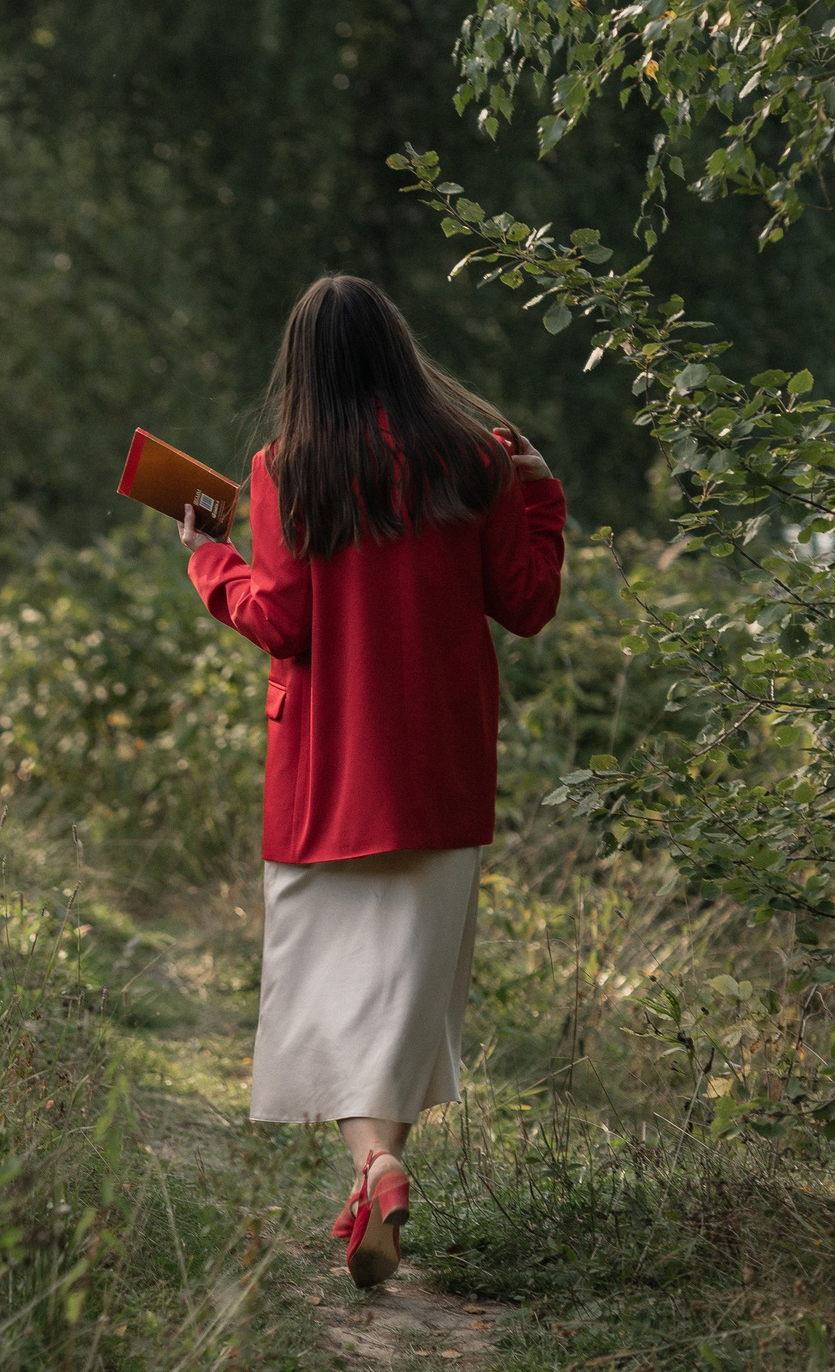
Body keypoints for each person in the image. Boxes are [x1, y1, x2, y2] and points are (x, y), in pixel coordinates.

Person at [178, 274, 566, 1288]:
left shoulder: (284, 471)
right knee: (398, 1003)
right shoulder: (473, 462)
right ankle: (378, 1170)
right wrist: (540, 492)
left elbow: (283, 621)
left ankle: (377, 1169)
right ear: (399, 351)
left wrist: (209, 559)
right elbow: (524, 605)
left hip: (327, 778)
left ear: (301, 368)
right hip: (438, 771)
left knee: (336, 997)